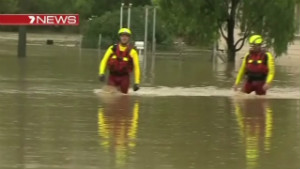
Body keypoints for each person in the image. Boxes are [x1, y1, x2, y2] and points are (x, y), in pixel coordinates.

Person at [98, 28, 141, 94]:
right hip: (112, 77)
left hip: (124, 78)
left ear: (129, 38)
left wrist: (137, 82)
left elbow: (137, 67)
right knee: (110, 97)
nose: (124, 38)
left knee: (123, 97)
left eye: (126, 36)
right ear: (120, 37)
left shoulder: (133, 51)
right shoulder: (112, 48)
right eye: (122, 36)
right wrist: (101, 73)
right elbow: (104, 61)